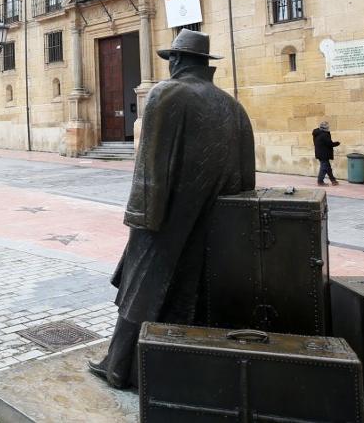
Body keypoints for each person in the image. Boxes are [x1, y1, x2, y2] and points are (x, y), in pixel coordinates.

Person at [88, 30, 255, 390]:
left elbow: (149, 165)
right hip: (216, 226)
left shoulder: (167, 94)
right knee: (191, 296)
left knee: (139, 290)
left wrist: (140, 219)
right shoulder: (234, 107)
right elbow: (247, 179)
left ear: (177, 61)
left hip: (162, 220)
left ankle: (117, 367)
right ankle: (181, 369)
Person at [313, 120, 341, 186]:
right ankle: (320, 181)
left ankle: (333, 180)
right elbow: (329, 144)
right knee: (324, 167)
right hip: (324, 154)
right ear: (326, 128)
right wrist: (337, 143)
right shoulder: (325, 134)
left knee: (328, 168)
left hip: (319, 152)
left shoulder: (317, 133)